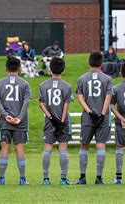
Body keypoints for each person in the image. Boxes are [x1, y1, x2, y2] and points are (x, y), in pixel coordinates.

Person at [75, 52, 113, 185]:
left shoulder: (82, 79)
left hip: (87, 117)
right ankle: (99, 178)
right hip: (103, 117)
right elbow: (108, 97)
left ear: (89, 63)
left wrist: (90, 112)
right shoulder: (107, 79)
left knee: (84, 145)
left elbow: (80, 97)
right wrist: (102, 114)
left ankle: (82, 177)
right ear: (102, 63)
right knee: (101, 145)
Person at [0, 57, 31, 185]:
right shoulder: (25, 84)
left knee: (5, 149)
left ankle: (1, 179)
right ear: (20, 68)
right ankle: (22, 179)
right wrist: (19, 117)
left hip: (5, 122)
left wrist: (5, 115)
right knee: (19, 148)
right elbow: (26, 102)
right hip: (20, 122)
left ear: (6, 68)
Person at [38, 57, 73, 185]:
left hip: (49, 122)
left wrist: (51, 117)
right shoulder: (67, 86)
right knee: (63, 149)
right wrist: (62, 121)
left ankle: (46, 179)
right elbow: (66, 104)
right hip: (63, 122)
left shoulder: (43, 85)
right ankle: (63, 179)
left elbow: (41, 104)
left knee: (47, 149)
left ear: (50, 68)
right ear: (62, 69)